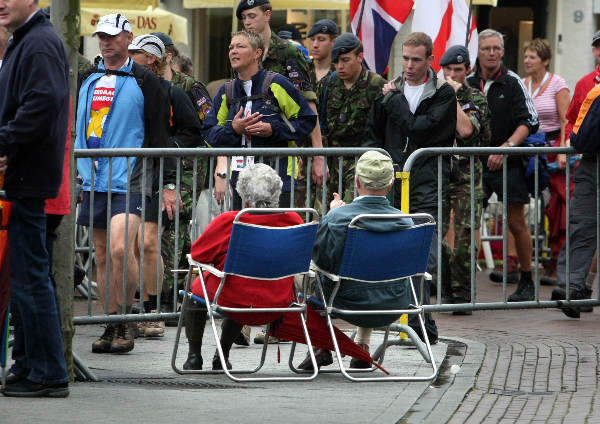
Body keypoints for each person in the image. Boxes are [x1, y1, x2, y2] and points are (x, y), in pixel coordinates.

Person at [76, 14, 173, 353]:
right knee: (101, 254)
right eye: (101, 35)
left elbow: (163, 135)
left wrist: (169, 183)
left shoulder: (148, 80)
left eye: (113, 36)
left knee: (120, 248)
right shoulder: (87, 77)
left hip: (132, 175)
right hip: (92, 176)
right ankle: (111, 322)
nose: (106, 41)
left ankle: (128, 319)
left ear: (129, 38)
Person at [365, 32, 456, 343]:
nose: (409, 65)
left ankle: (421, 319)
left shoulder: (443, 93)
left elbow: (422, 131)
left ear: (430, 60)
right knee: (389, 251)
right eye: (405, 58)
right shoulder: (390, 91)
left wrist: (394, 101)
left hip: (427, 181)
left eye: (416, 59)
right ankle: (397, 319)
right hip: (391, 182)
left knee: (423, 255)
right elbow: (373, 134)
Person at [0, 0, 69, 397]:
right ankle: (30, 365)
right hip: (27, 174)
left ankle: (49, 373)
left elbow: (44, 101)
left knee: (31, 280)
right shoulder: (27, 39)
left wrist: (6, 139)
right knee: (28, 279)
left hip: (31, 177)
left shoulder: (38, 41)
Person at [297, 151, 414, 370]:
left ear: (357, 181)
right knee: (371, 274)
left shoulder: (339, 217)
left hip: (345, 300)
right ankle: (362, 346)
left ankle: (320, 345)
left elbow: (322, 262)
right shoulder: (405, 221)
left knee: (302, 276)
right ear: (390, 185)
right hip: (394, 301)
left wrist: (332, 215)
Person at [185, 163, 303, 370]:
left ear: (243, 194)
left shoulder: (230, 221)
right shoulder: (293, 219)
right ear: (277, 191)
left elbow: (198, 255)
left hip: (237, 298)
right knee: (243, 285)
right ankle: (223, 353)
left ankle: (194, 355)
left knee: (200, 288)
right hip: (278, 300)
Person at [128, 34, 203, 338]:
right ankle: (127, 311)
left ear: (152, 59)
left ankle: (153, 310)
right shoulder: (126, 88)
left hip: (161, 175)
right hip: (128, 174)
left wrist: (165, 149)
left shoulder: (173, 91)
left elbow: (193, 132)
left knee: (148, 241)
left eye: (137, 52)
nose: (130, 56)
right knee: (128, 244)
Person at [205, 30, 316, 211]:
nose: (233, 51)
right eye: (231, 47)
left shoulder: (277, 83)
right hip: (240, 182)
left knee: (277, 233)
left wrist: (273, 130)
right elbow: (209, 134)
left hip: (278, 179)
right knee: (245, 233)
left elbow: (306, 120)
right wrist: (234, 130)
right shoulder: (227, 91)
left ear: (257, 53)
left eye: (240, 46)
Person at [467, 29, 539, 302]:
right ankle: (464, 282)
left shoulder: (513, 82)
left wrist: (506, 147)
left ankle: (527, 280)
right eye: (486, 48)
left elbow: (530, 121)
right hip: (475, 164)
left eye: (497, 48)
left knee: (516, 221)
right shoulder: (468, 81)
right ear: (478, 51)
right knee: (468, 221)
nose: (492, 53)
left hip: (509, 162)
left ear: (503, 51)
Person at [237, 0, 327, 202]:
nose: (247, 22)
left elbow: (308, 103)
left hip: (288, 147)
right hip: (251, 149)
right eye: (244, 18)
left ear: (267, 15)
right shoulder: (242, 53)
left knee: (287, 211)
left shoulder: (288, 52)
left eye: (252, 16)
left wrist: (319, 155)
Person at [439, 45, 491, 311]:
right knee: (433, 235)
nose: (451, 75)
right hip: (438, 173)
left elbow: (469, 131)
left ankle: (462, 293)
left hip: (466, 176)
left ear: (467, 70)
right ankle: (445, 284)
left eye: (457, 70)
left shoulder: (475, 98)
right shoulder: (434, 94)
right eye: (447, 69)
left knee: (462, 237)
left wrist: (456, 99)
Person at [521, 39, 570, 286]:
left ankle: (555, 259)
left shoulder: (557, 84)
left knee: (556, 205)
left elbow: (565, 119)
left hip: (552, 148)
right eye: (526, 56)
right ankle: (517, 261)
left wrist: (562, 151)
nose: (527, 61)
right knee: (519, 200)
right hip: (529, 147)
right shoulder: (523, 84)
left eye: (532, 57)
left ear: (545, 60)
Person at [317, 33, 385, 207]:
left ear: (360, 57)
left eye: (346, 60)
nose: (340, 66)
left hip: (360, 161)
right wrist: (317, 156)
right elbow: (315, 121)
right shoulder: (328, 84)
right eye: (336, 61)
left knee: (348, 210)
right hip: (329, 160)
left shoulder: (375, 85)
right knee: (320, 212)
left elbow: (383, 127)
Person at [550, 82, 600, 318]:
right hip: (591, 168)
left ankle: (574, 287)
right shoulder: (594, 91)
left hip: (591, 167)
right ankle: (571, 288)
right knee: (581, 227)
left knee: (582, 227)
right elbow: (578, 136)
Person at [307, 19, 338, 95]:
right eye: (312, 39)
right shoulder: (302, 69)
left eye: (321, 39)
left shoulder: (341, 71)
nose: (315, 45)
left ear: (333, 42)